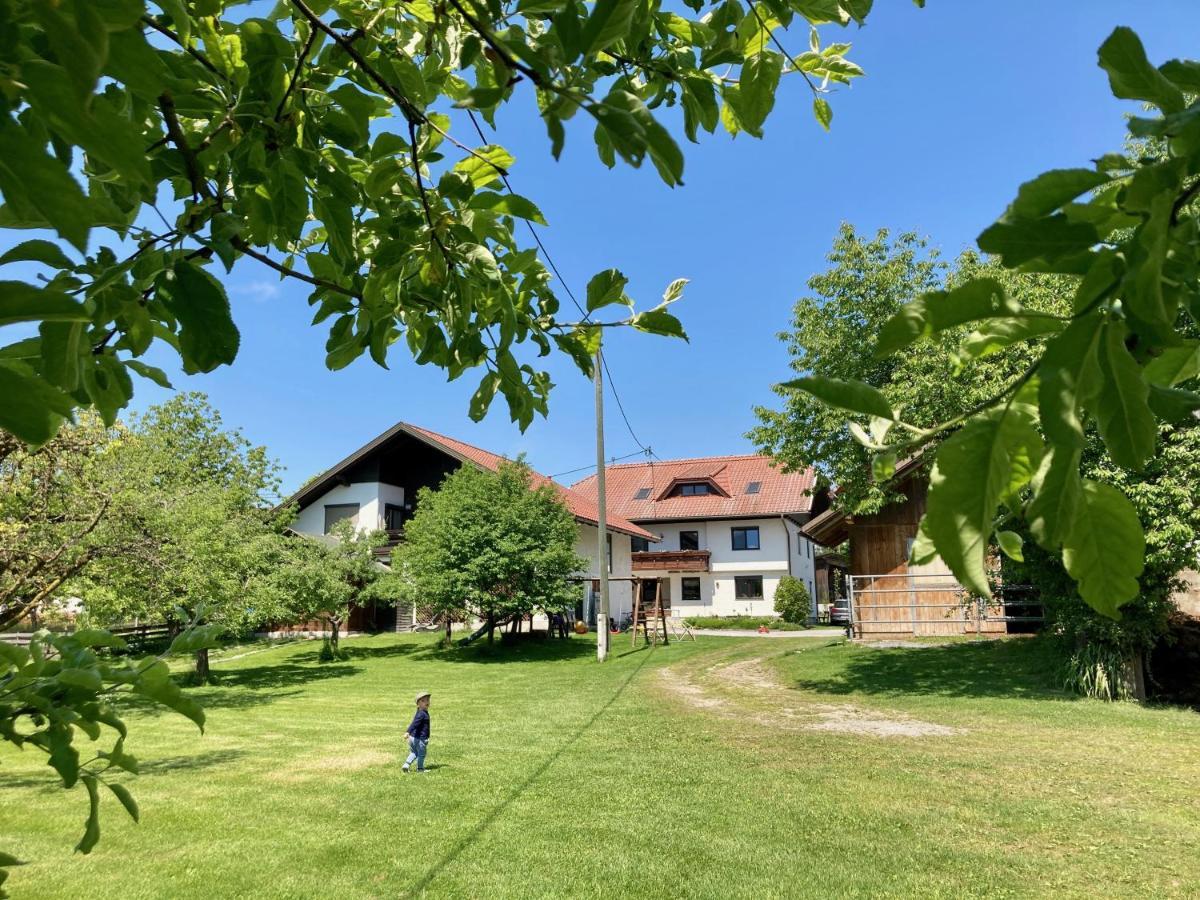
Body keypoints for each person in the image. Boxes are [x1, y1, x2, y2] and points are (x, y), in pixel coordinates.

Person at [403, 691, 431, 773]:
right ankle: (420, 769)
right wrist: (408, 732)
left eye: (427, 700)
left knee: (414, 752)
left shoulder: (420, 711)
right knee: (421, 754)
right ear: (418, 704)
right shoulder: (422, 714)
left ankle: (406, 765)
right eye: (423, 701)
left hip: (413, 738)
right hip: (419, 739)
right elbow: (414, 723)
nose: (426, 702)